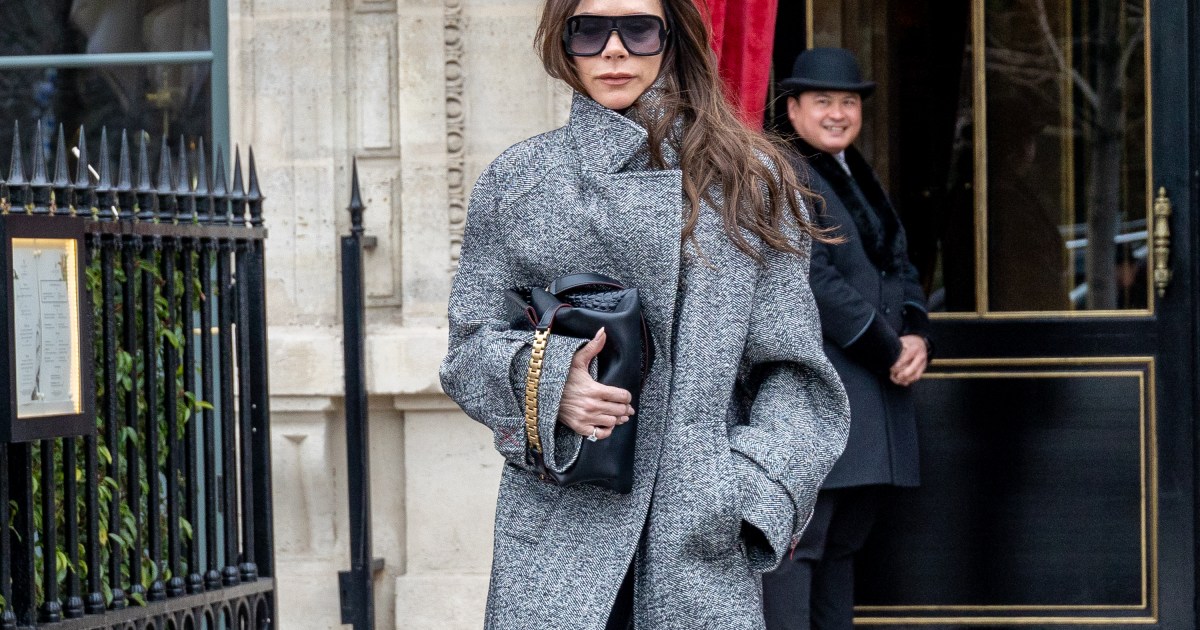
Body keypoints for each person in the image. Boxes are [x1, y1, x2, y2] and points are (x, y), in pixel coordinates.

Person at [439, 2, 851, 628]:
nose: (613, 50)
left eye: (637, 28)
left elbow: (796, 375)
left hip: (697, 542)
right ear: (563, 40)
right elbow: (469, 347)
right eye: (589, 29)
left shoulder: (750, 176)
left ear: (673, 37)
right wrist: (549, 384)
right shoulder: (520, 179)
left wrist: (744, 491)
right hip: (557, 532)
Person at [761, 48, 932, 630]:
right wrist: (889, 346)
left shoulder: (855, 170)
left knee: (842, 547)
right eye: (824, 101)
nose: (838, 113)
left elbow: (900, 263)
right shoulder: (784, 172)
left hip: (874, 395)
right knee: (800, 547)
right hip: (824, 390)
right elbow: (811, 278)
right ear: (794, 107)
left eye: (849, 102)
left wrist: (916, 333)